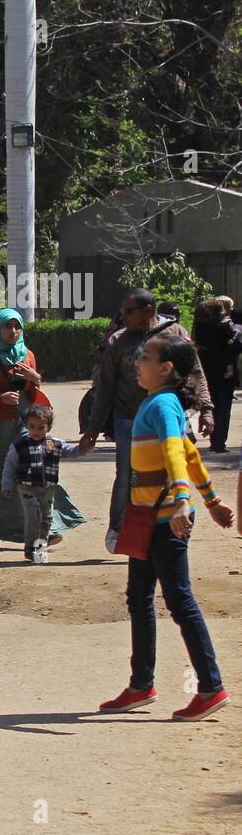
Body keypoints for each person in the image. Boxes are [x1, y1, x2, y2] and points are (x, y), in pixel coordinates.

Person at [99, 334, 234, 721]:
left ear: (166, 369)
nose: (137, 362)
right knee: (138, 598)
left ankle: (210, 687)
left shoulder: (160, 404)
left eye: (146, 357)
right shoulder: (160, 402)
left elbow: (176, 451)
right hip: (148, 518)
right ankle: (141, 685)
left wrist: (182, 502)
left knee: (180, 602)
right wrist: (211, 499)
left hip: (164, 520)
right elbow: (191, 453)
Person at [81, 288, 214, 553]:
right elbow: (105, 388)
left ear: (148, 310)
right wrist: (92, 429)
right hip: (129, 420)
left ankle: (176, 520)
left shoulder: (174, 334)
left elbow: (196, 372)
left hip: (170, 417)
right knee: (127, 477)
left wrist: (207, 409)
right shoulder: (118, 341)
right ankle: (119, 529)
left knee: (175, 468)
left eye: (128, 312)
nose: (123, 317)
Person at [0, 308, 84, 548]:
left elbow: (33, 393)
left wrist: (34, 377)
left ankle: (48, 527)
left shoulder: (28, 355)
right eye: (7, 326)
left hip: (26, 421)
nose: (12, 332)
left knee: (38, 468)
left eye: (17, 327)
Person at [0, 404, 87, 563]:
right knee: (33, 515)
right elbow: (9, 465)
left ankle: (40, 549)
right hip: (26, 488)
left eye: (41, 427)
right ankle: (29, 546)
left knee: (46, 519)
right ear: (26, 426)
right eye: (32, 427)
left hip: (47, 490)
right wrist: (6, 485)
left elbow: (72, 451)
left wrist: (85, 447)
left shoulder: (53, 444)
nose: (36, 431)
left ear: (49, 427)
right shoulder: (19, 445)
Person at [192, 296, 241, 453]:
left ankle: (213, 437)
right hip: (224, 370)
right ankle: (218, 442)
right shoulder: (225, 325)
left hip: (206, 367)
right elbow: (236, 345)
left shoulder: (199, 325)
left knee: (210, 403)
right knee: (223, 407)